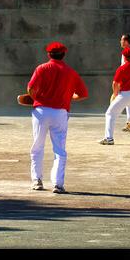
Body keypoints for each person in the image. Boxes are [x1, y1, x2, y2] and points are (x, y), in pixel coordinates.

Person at [27, 41, 88, 194]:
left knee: (37, 147)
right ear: (64, 54)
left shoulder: (41, 68)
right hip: (60, 113)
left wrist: (34, 97)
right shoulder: (71, 72)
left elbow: (30, 88)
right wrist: (68, 97)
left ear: (49, 54)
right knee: (60, 150)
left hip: (40, 111)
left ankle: (37, 181)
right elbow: (83, 94)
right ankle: (58, 184)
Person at [100, 47, 130, 145]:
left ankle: (109, 138)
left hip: (124, 95)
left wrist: (115, 94)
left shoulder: (122, 68)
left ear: (124, 56)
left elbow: (115, 83)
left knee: (110, 114)